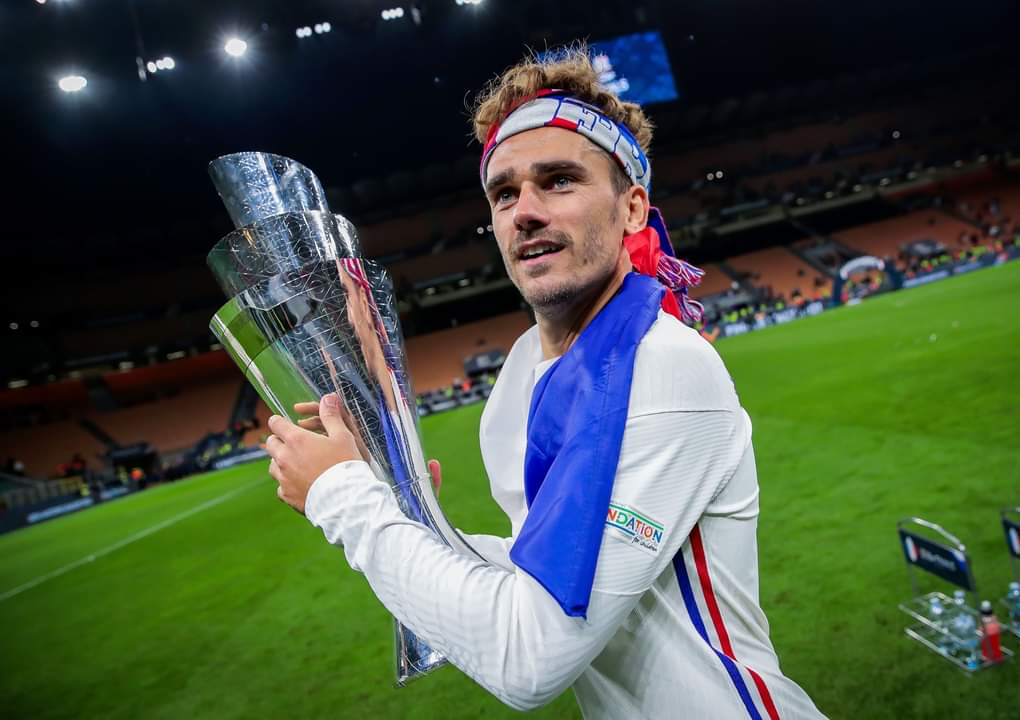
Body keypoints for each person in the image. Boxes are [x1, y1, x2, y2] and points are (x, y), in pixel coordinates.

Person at [265, 47, 824, 718]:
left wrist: (341, 497)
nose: (523, 211)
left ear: (633, 209)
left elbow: (529, 658)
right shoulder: (519, 378)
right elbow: (537, 572)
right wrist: (406, 511)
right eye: (504, 193)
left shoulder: (664, 366)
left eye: (559, 180)